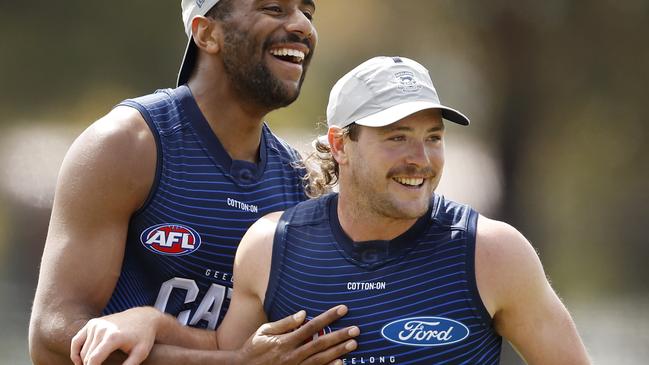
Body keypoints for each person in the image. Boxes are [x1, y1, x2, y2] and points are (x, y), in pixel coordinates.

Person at [70, 56, 593, 364]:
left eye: (434, 137)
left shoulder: (493, 253)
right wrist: (147, 321)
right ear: (341, 144)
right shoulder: (271, 245)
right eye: (397, 137)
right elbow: (233, 356)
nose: (422, 159)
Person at [29, 0, 359, 364]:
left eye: (307, 14)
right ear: (207, 33)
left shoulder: (300, 182)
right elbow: (52, 337)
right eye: (274, 8)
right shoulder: (127, 144)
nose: (302, 26)